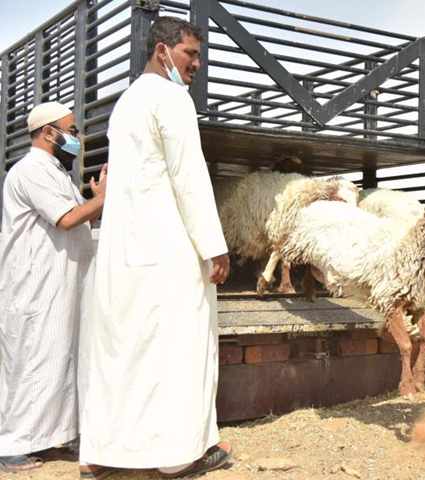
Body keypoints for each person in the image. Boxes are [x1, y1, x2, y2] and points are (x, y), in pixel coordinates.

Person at [79, 17, 232, 479]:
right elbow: (189, 177)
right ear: (163, 50)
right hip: (168, 248)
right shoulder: (172, 99)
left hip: (124, 249)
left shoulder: (126, 102)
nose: (197, 65)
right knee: (179, 346)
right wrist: (214, 245)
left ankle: (102, 453)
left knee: (121, 350)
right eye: (191, 54)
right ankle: (176, 457)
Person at [0, 102, 106, 472]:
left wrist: (92, 200)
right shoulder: (31, 170)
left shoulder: (55, 172)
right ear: (49, 133)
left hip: (58, 285)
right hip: (36, 286)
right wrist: (101, 199)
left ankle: (48, 437)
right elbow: (66, 219)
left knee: (57, 360)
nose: (77, 138)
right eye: (72, 130)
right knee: (33, 361)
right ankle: (13, 445)